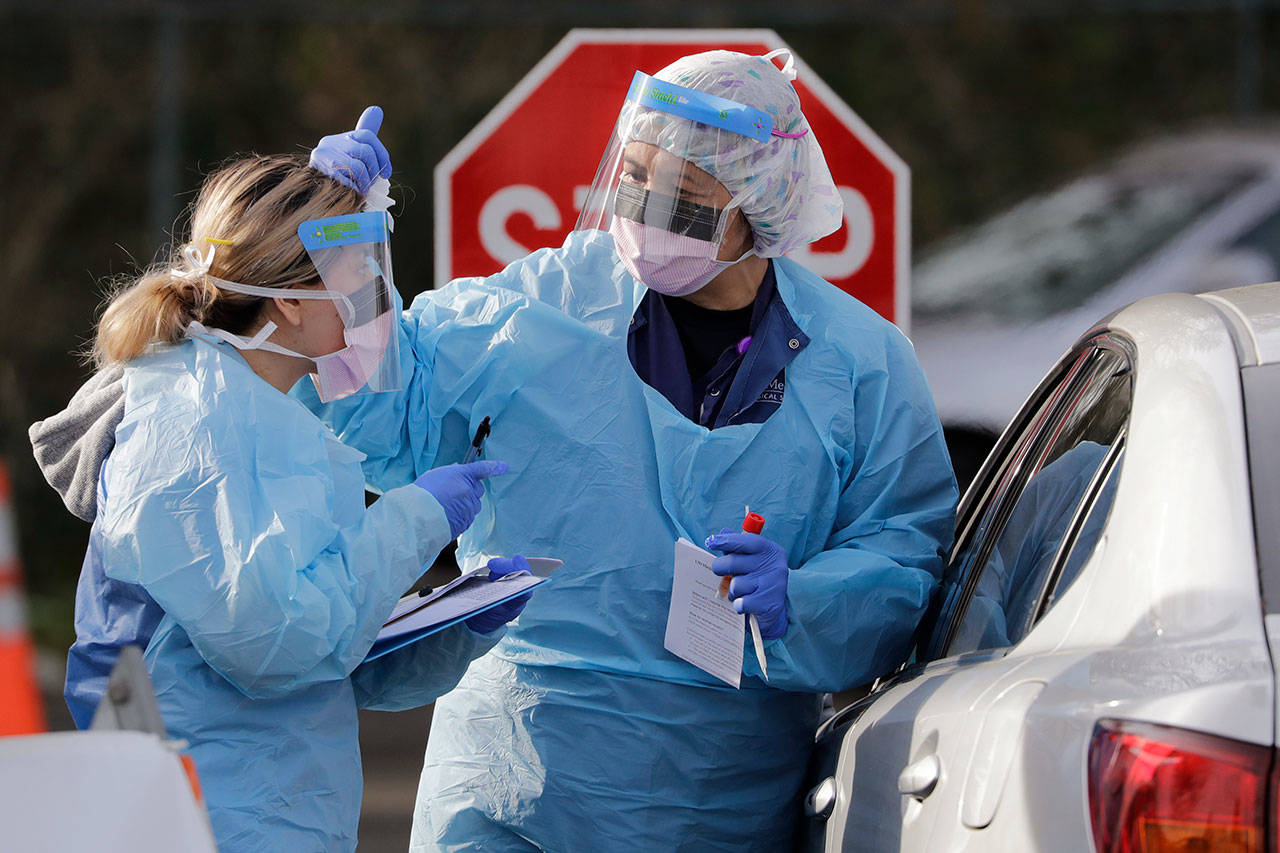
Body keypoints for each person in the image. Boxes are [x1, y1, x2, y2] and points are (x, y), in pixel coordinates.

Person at [28, 148, 532, 851]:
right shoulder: (198, 423)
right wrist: (414, 518)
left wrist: (455, 629)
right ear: (293, 299)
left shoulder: (258, 407)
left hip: (253, 806)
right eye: (358, 266)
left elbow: (327, 657)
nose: (373, 291)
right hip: (201, 817)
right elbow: (274, 644)